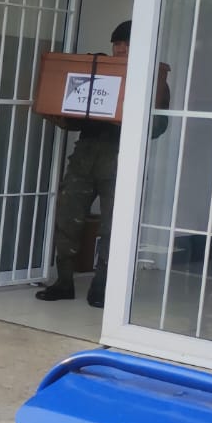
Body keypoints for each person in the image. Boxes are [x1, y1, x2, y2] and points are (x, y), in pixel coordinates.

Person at [36, 20, 170, 309]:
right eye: (117, 44)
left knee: (113, 227)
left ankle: (102, 286)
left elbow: (159, 126)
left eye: (126, 44)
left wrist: (131, 118)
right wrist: (56, 113)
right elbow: (75, 116)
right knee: (67, 218)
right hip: (85, 155)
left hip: (121, 157)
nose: (120, 49)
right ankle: (64, 281)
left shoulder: (153, 80)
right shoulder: (98, 72)